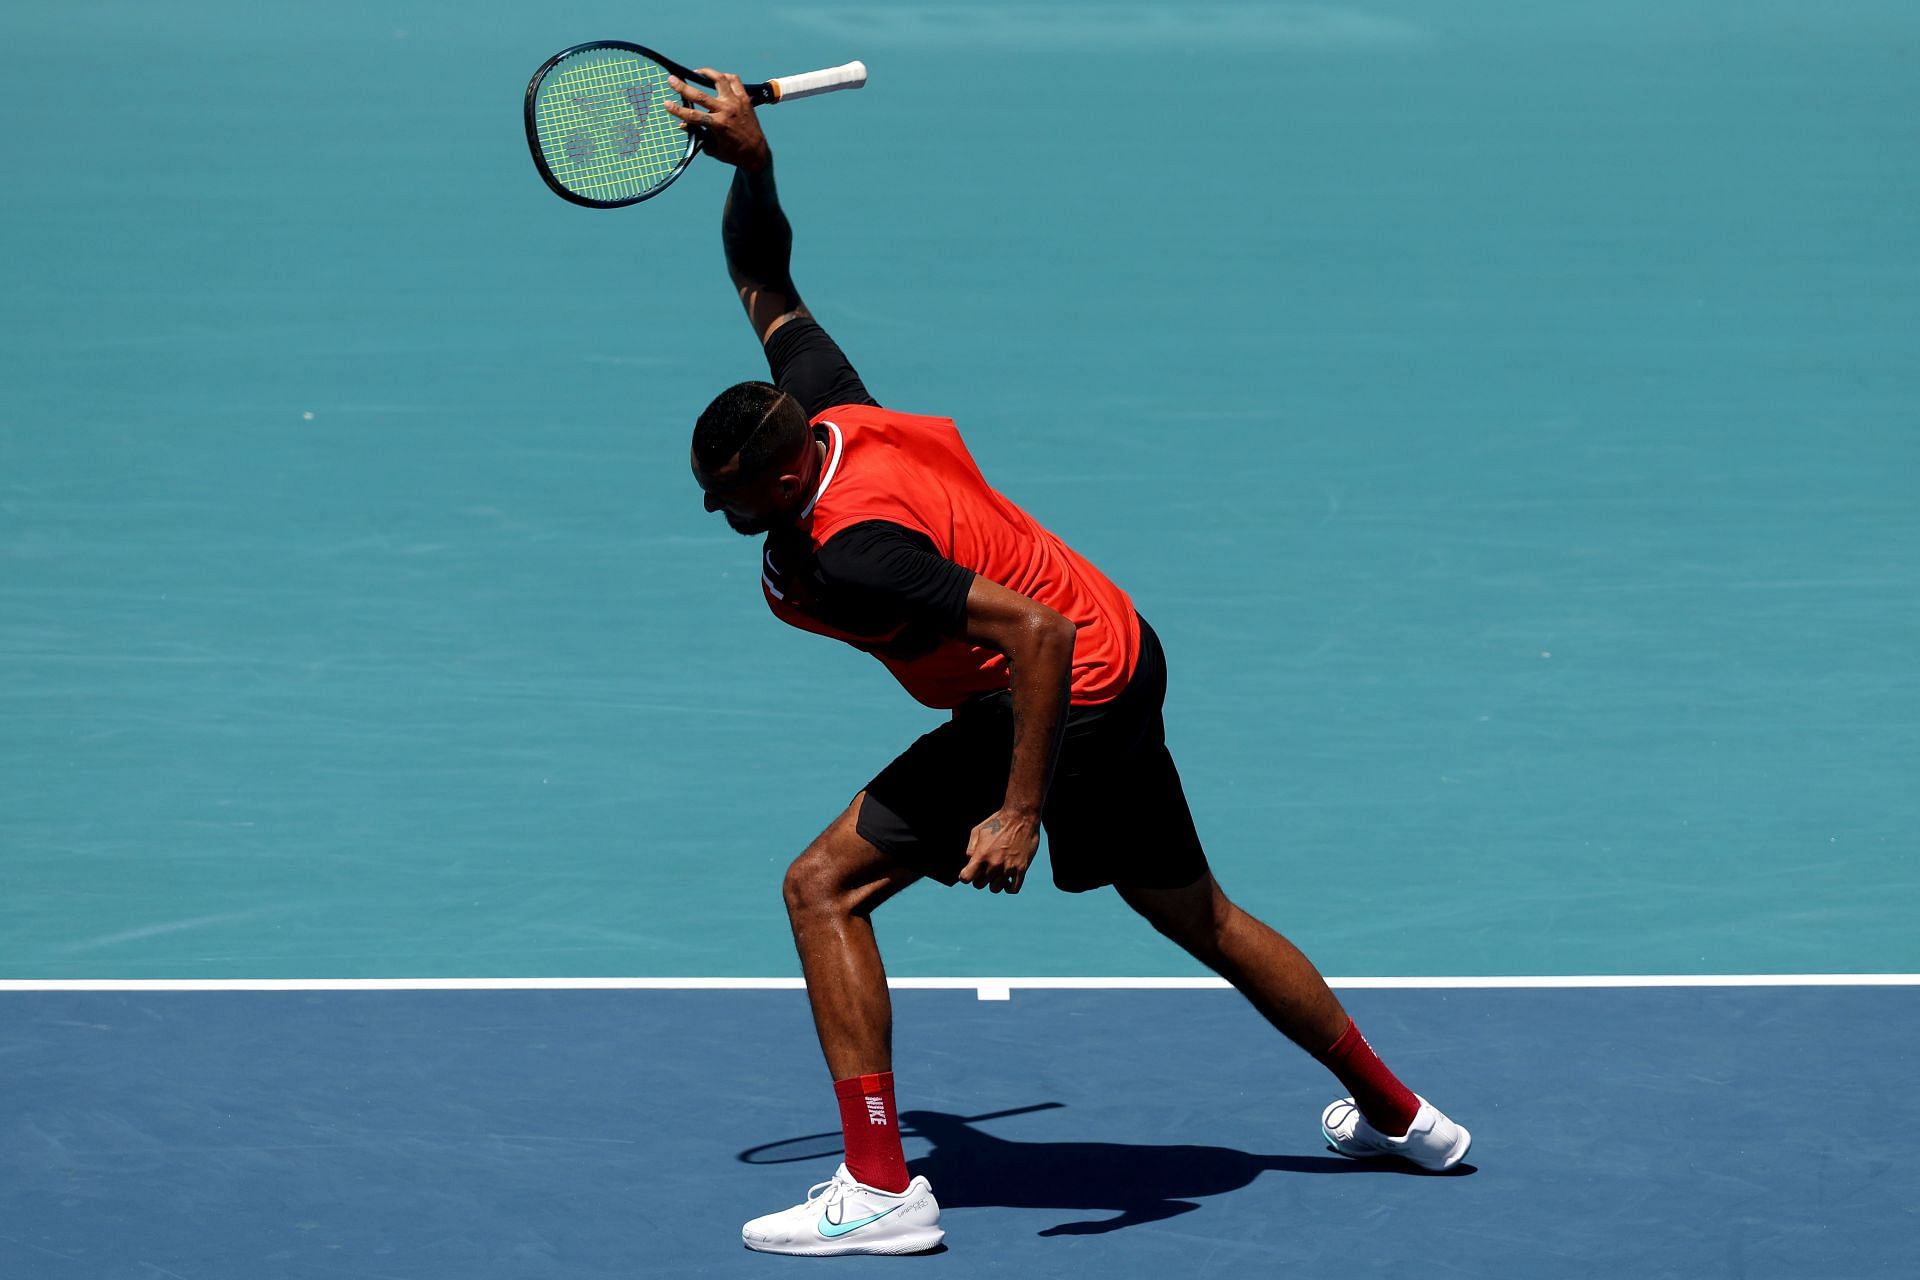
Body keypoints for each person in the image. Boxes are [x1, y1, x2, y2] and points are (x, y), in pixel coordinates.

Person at [663, 71, 1472, 1258]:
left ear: (783, 479)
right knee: (1195, 910)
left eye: (728, 497)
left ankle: (882, 1186)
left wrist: (1019, 812)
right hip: (1121, 640)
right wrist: (753, 167)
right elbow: (765, 277)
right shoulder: (830, 409)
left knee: (819, 886)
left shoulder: (856, 554)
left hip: (1057, 684)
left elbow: (1029, 640)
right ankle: (1409, 1118)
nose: (717, 510)